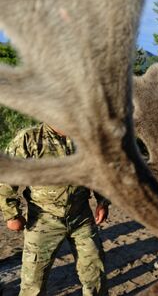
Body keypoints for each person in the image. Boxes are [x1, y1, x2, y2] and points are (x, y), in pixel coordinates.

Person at [0, 122, 109, 296]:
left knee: (95, 271)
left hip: (81, 217)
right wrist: (11, 214)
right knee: (33, 281)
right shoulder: (29, 138)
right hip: (43, 219)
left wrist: (102, 201)